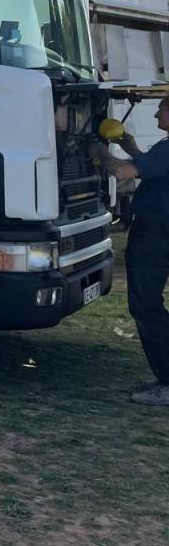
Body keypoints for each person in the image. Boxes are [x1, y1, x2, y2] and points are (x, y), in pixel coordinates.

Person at [98, 98, 169, 407]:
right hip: (159, 229)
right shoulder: (165, 148)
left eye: (162, 106)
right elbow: (149, 168)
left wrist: (99, 153)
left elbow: (124, 172)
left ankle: (167, 382)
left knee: (145, 305)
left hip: (156, 233)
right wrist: (129, 145)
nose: (156, 112)